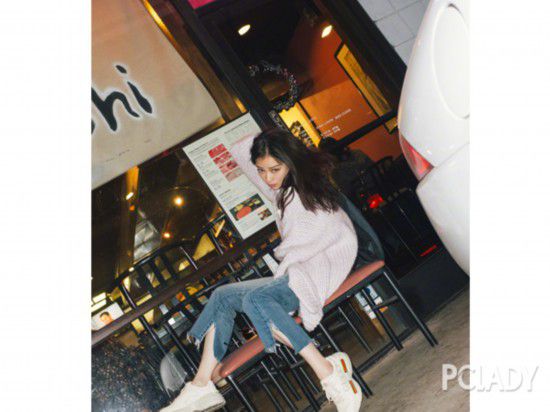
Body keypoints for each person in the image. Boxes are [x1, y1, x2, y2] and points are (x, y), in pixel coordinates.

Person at [161, 129, 362, 412]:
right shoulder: (283, 190)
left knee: (258, 300)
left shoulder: (299, 194)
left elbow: (318, 238)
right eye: (261, 170)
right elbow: (247, 157)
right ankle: (201, 384)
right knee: (223, 295)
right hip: (299, 270)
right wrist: (262, 143)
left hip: (318, 271)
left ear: (290, 162)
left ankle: (330, 376)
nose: (267, 178)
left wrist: (270, 145)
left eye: (274, 169)